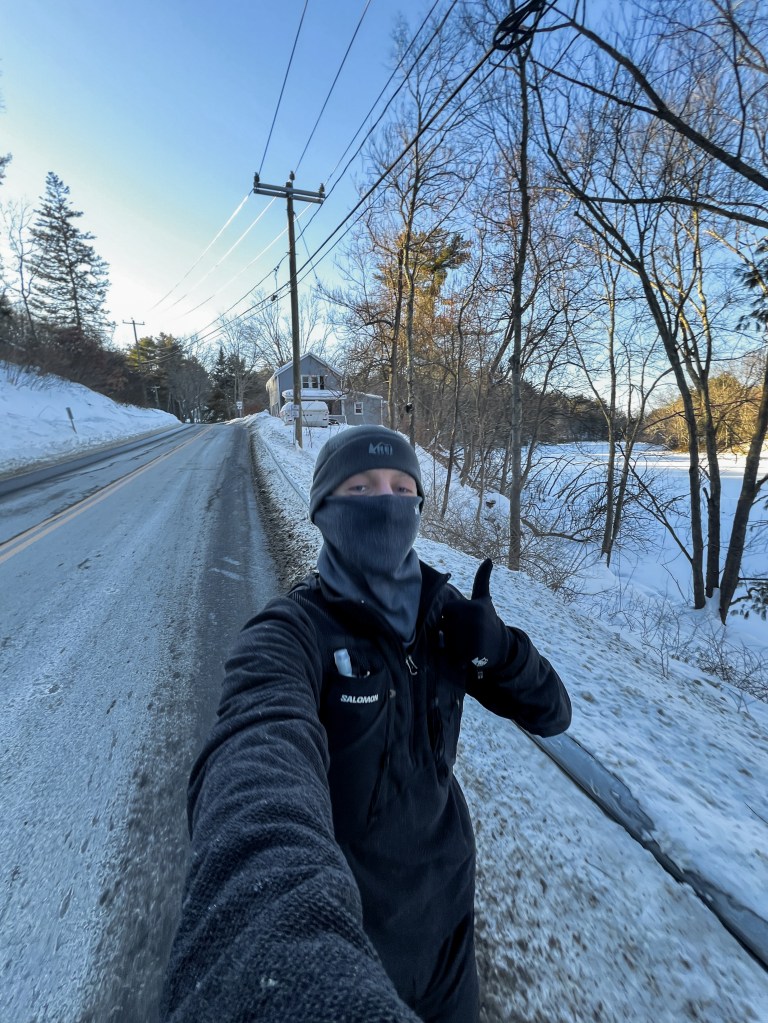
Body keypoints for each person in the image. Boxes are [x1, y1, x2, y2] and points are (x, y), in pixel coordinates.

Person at [162, 425, 571, 1023]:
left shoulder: (446, 615)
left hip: (449, 936)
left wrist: (504, 651)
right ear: (324, 510)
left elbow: (553, 714)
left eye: (402, 487)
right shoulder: (290, 633)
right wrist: (273, 932)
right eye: (361, 487)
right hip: (343, 933)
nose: (386, 501)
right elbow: (253, 759)